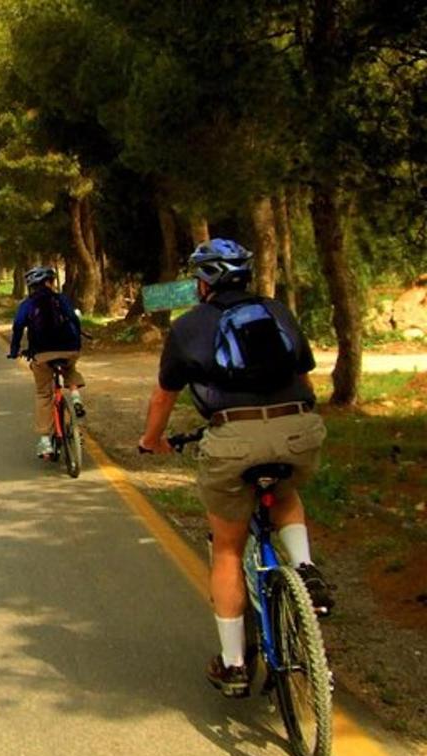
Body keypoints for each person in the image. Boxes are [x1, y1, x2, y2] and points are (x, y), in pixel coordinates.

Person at [138, 238, 333, 698]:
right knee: (285, 493)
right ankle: (305, 568)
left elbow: (163, 396)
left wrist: (151, 441)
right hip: (298, 431)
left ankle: (234, 665)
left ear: (205, 282)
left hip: (233, 440)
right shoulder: (277, 312)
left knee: (227, 549)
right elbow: (304, 375)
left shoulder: (188, 327)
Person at [8, 266, 86, 458]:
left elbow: (18, 326)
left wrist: (14, 350)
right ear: (50, 282)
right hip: (69, 350)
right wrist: (77, 344)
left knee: (44, 394)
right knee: (70, 367)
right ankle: (75, 398)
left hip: (42, 355)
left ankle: (45, 442)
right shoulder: (61, 299)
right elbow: (74, 320)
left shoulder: (27, 304)